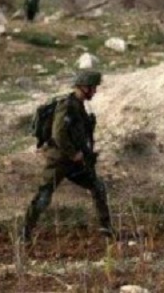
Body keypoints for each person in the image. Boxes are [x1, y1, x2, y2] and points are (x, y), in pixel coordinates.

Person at [22, 70, 113, 241]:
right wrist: (73, 153)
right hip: (59, 160)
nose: (95, 91)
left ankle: (106, 229)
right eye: (92, 88)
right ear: (83, 87)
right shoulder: (67, 106)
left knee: (97, 187)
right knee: (44, 195)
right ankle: (24, 233)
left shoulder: (79, 106)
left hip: (75, 162)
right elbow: (58, 134)